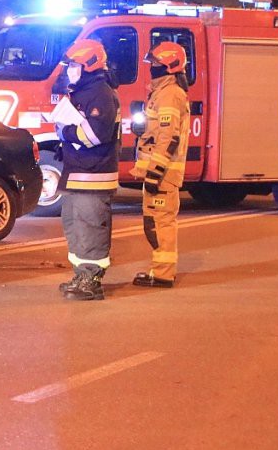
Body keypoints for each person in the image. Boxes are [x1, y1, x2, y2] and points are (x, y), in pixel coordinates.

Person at [54, 39, 121, 301]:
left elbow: (95, 135)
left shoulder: (101, 94)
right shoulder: (83, 92)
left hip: (94, 176)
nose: (69, 70)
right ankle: (81, 274)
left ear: (89, 65)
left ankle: (92, 280)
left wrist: (65, 131)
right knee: (75, 225)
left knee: (91, 228)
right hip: (79, 173)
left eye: (73, 65)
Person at [130, 41, 191, 288]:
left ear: (169, 66)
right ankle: (160, 269)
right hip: (159, 172)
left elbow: (169, 138)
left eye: (155, 63)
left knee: (161, 223)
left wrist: (155, 174)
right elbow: (158, 132)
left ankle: (164, 273)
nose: (151, 67)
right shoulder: (162, 91)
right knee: (153, 223)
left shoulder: (170, 94)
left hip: (164, 174)